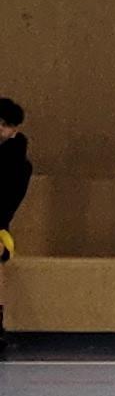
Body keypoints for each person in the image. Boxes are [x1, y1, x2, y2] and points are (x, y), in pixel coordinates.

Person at [0, 95, 27, 355]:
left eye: (5, 124)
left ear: (14, 130)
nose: (0, 128)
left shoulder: (19, 164)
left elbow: (9, 200)